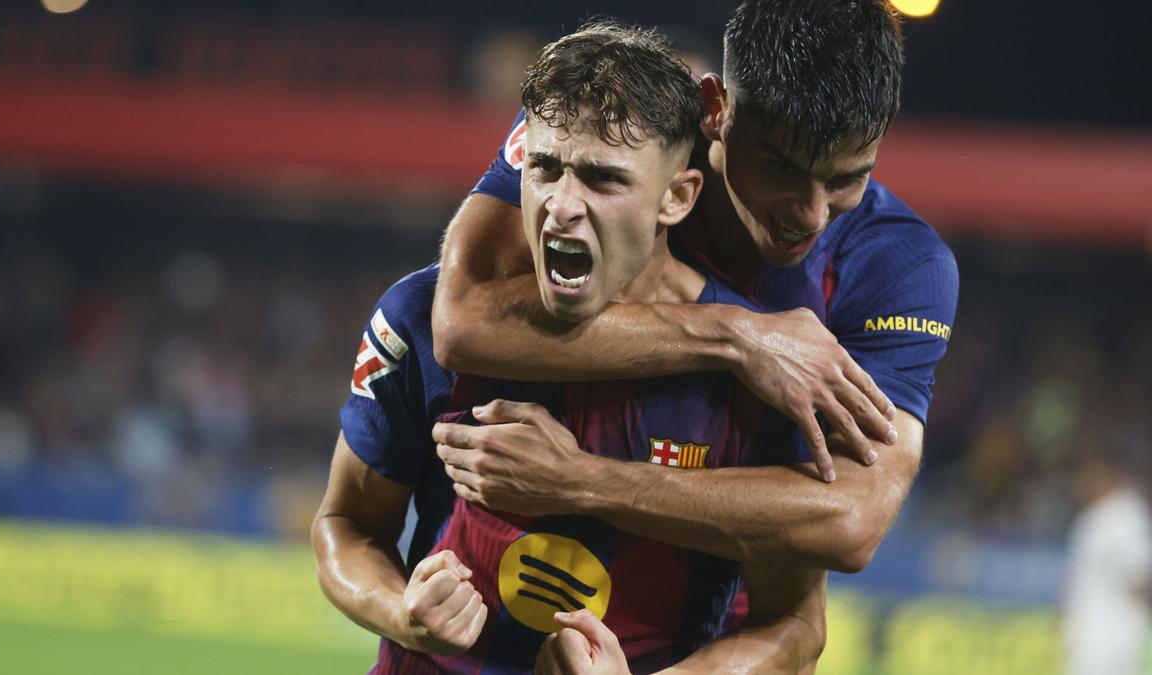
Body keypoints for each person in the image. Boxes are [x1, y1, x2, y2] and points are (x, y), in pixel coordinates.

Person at [314, 23, 824, 674]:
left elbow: (797, 623)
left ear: (677, 196)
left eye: (602, 179)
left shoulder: (761, 367)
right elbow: (347, 524)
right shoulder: (419, 317)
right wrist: (401, 611)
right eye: (545, 169)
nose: (561, 205)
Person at [432, 0, 958, 583]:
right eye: (781, 167)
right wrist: (736, 336)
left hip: (713, 623)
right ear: (717, 109)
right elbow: (464, 320)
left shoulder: (902, 266)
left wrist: (577, 481)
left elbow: (852, 520)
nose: (811, 214)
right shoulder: (615, 127)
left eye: (846, 179)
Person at [1062, 445, 1151, 675]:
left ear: (1104, 475)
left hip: (1115, 640)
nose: (1081, 483)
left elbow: (1141, 578)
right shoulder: (1089, 519)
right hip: (1087, 635)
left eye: (1086, 475)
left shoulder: (1127, 515)